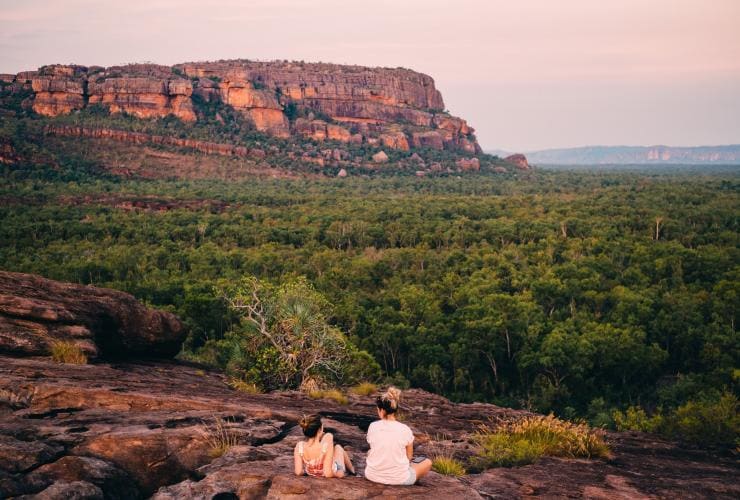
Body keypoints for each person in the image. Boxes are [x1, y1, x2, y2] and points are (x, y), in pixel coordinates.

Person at [364, 387, 432, 485]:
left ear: (382, 411)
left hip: (372, 476)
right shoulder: (405, 429)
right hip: (399, 479)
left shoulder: (373, 426)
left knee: (371, 451)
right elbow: (409, 457)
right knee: (427, 462)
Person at [294, 414, 355, 478]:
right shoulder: (328, 437)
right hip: (336, 471)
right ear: (320, 429)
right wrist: (338, 473)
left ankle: (351, 469)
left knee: (336, 449)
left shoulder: (300, 446)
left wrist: (308, 471)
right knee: (338, 448)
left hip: (312, 472)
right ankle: (352, 470)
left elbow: (298, 472)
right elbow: (328, 473)